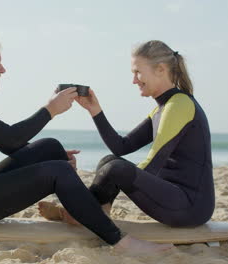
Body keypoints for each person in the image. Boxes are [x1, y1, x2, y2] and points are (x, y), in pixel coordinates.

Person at [0, 32, 173, 253]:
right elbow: (11, 139)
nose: (3, 69)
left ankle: (78, 212)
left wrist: (54, 154)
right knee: (57, 172)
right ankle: (120, 242)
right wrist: (50, 109)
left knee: (49, 147)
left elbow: (9, 145)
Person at [40, 40, 215, 228]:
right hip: (173, 199)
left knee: (115, 168)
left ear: (160, 69)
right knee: (108, 161)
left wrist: (115, 179)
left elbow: (153, 164)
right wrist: (94, 110)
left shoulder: (179, 105)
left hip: (191, 206)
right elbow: (121, 147)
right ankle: (96, 211)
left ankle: (82, 212)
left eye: (137, 72)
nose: (134, 80)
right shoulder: (162, 109)